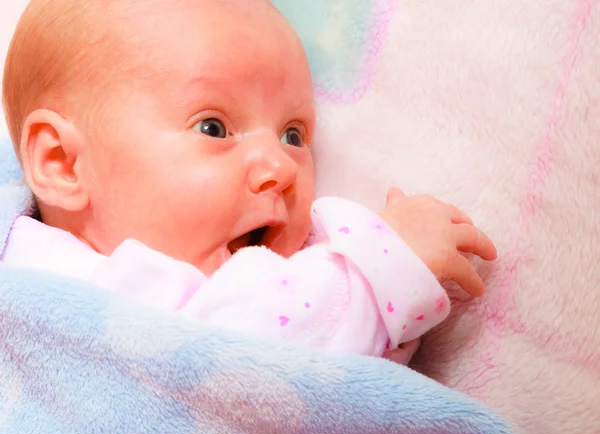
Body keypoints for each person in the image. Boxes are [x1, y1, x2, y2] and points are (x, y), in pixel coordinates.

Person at [0, 0, 496, 361]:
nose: (282, 168)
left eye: (294, 135)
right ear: (62, 162)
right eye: (213, 127)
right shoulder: (73, 286)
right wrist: (378, 269)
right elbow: (242, 355)